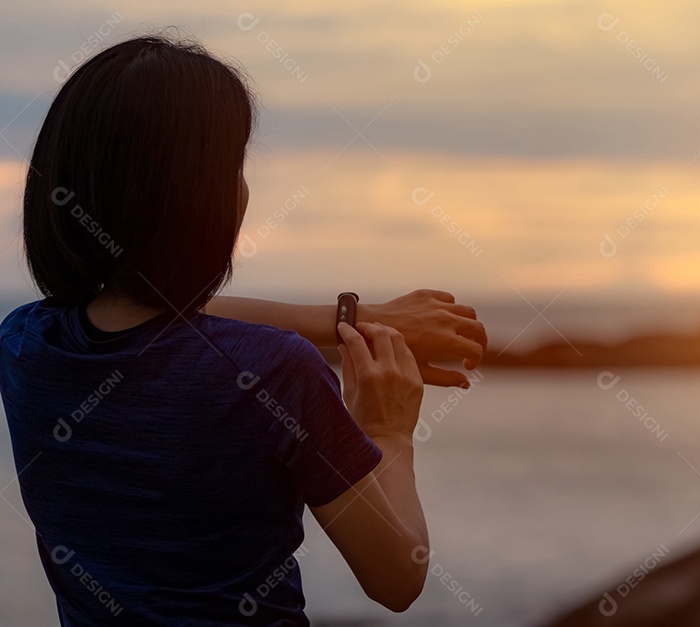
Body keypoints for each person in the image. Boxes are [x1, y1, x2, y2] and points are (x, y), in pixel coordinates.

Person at [0, 34, 486, 624]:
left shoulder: (24, 343)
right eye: (233, 164)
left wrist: (353, 320)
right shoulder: (278, 372)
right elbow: (397, 578)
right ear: (197, 195)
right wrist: (389, 433)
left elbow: (165, 320)